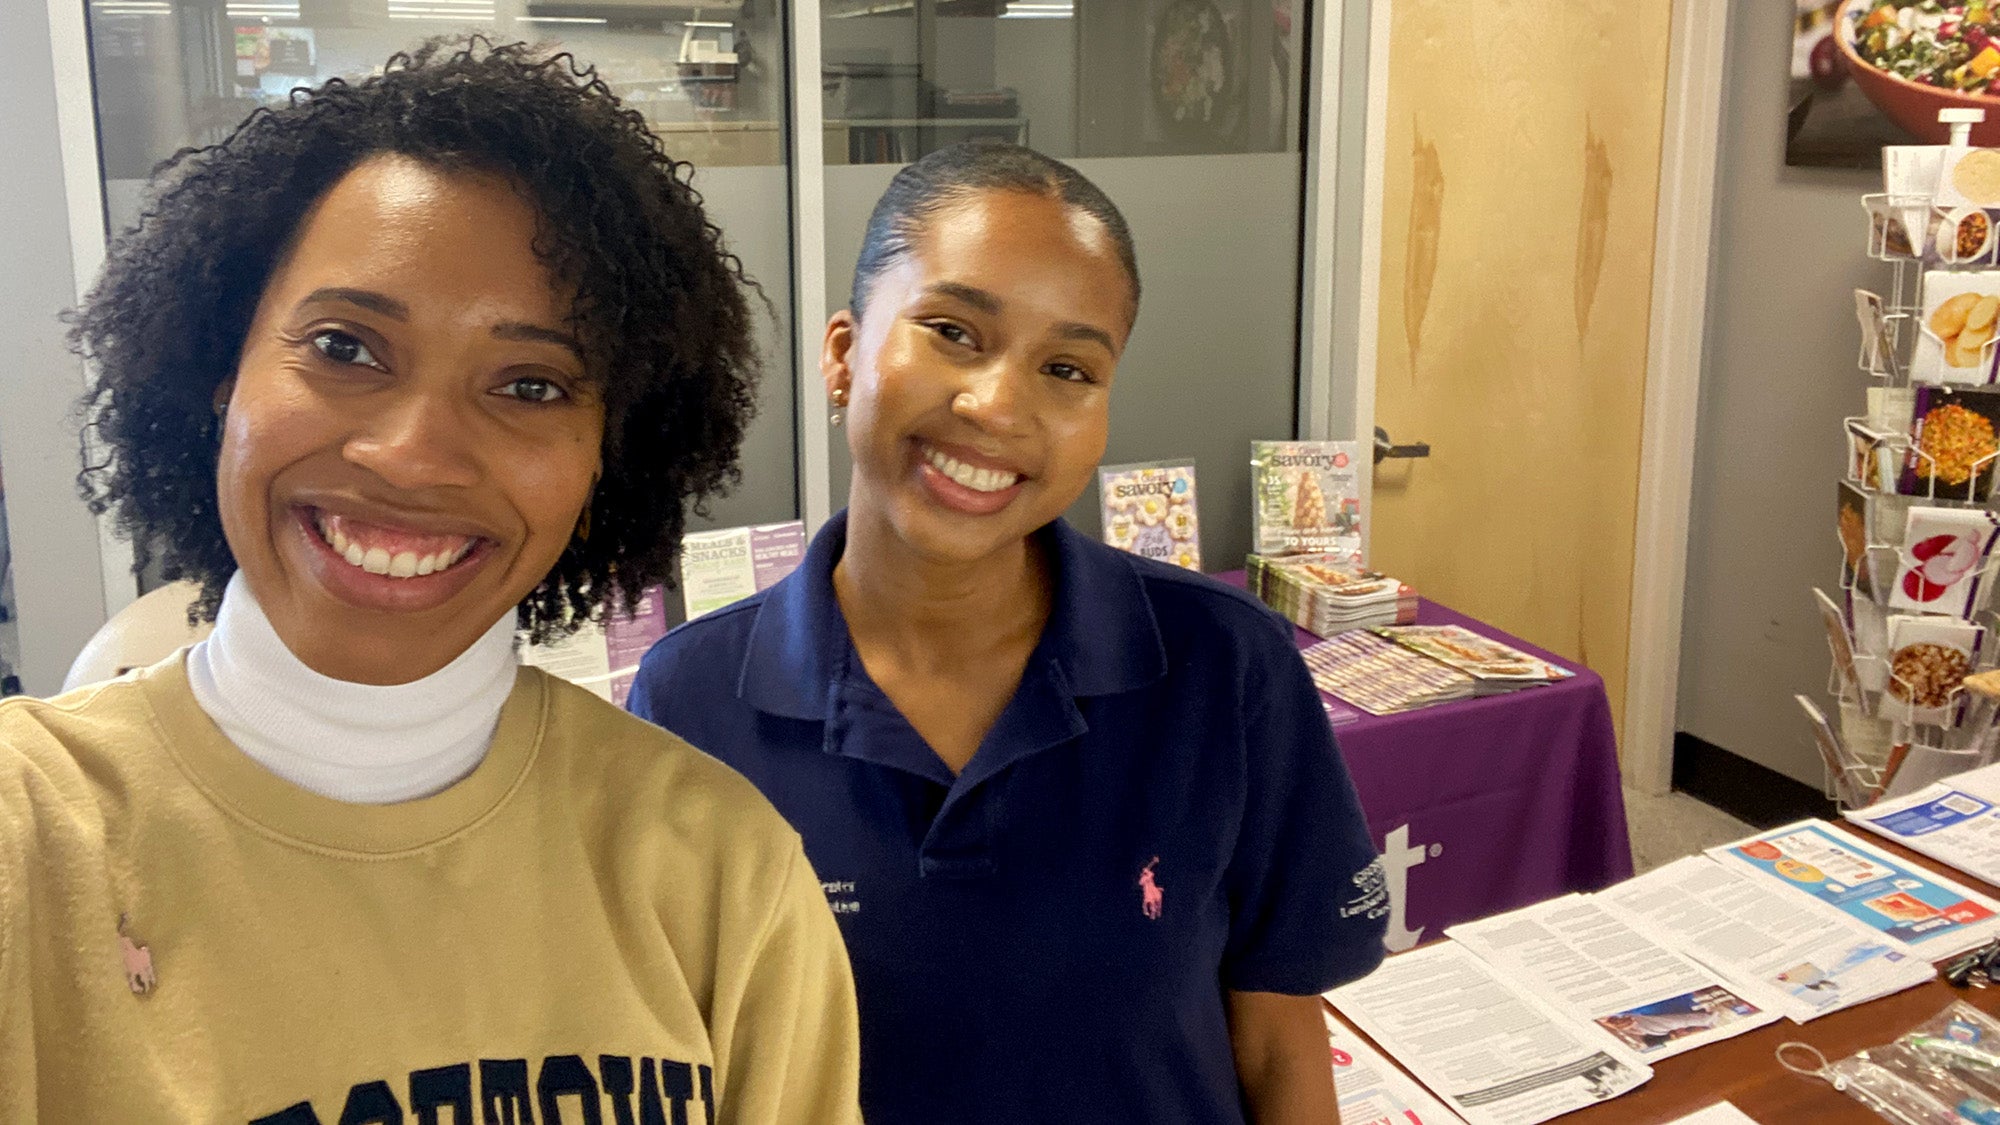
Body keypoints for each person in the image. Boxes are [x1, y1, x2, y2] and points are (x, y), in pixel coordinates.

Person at [0, 40, 860, 1123]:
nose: (412, 455)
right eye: (345, 347)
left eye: (530, 384)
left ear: (609, 461)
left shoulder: (720, 876)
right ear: (222, 374)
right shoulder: (29, 842)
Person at [629, 140, 1388, 1124]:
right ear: (843, 353)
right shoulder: (693, 700)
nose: (995, 406)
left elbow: (1279, 1042)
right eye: (951, 330)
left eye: (1066, 367)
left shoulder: (1222, 664)